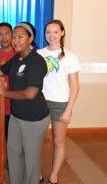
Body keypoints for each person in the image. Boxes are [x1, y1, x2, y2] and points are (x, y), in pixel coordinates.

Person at [0, 22, 50, 184]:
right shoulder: (17, 57)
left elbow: (30, 93)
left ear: (31, 38)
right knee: (14, 154)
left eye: (20, 37)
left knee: (31, 159)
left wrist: (4, 93)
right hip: (17, 115)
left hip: (34, 118)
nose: (15, 40)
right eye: (14, 37)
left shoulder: (36, 61)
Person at [37, 19, 80, 184]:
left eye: (55, 31)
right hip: (39, 102)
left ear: (62, 33)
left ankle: (54, 175)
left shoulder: (70, 56)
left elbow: (75, 86)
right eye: (48, 32)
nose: (51, 35)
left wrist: (69, 109)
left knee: (59, 141)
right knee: (35, 141)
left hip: (60, 103)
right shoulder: (39, 54)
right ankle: (37, 172)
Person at [0, 22, 15, 138]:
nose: (3, 37)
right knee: (2, 139)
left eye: (7, 34)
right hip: (1, 105)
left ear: (12, 35)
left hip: (18, 105)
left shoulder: (20, 54)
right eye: (0, 34)